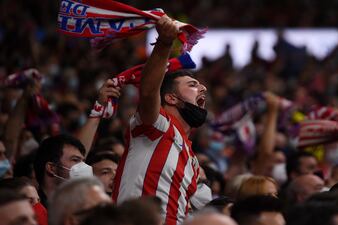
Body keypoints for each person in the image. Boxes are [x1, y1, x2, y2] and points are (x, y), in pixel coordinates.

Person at [113, 16, 209, 225]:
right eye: (193, 84)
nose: (203, 88)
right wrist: (164, 44)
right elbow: (148, 91)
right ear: (171, 98)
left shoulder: (191, 156)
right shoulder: (158, 125)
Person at [33, 134, 90, 207]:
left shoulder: (81, 209)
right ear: (51, 168)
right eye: (75, 160)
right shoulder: (33, 211)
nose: (84, 166)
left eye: (83, 162)